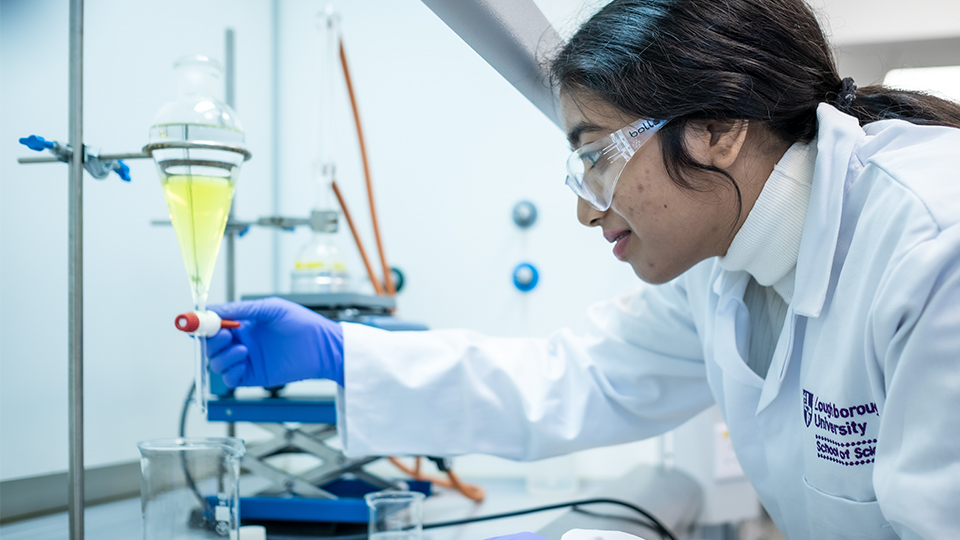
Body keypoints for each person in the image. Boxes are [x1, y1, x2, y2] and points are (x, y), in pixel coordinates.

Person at [207, 0, 960, 538]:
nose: (586, 209)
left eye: (597, 153)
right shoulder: (721, 256)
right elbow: (580, 379)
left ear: (720, 129)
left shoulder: (934, 244)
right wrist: (345, 357)